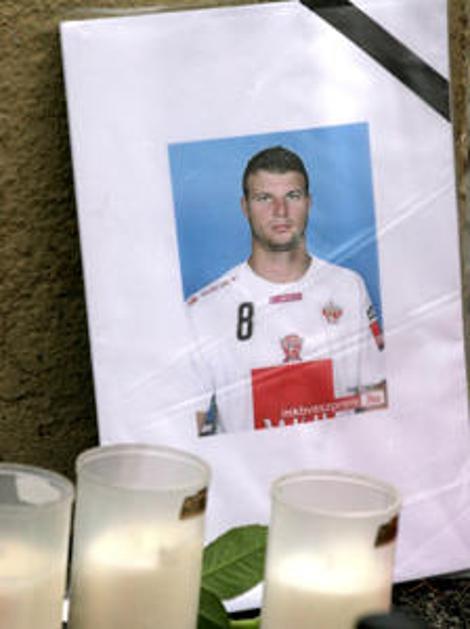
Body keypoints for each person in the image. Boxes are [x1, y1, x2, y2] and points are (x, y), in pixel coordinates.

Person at [187, 146, 386, 436]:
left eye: (292, 196)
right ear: (245, 207)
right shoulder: (204, 309)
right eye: (264, 198)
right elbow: (188, 428)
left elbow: (375, 397)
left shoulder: (348, 287)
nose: (280, 211)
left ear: (309, 202)